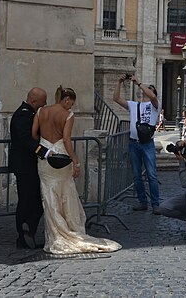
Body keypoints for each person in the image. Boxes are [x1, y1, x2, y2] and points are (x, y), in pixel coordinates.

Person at [33, 86, 122, 254]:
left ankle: (54, 234)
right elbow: (66, 140)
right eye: (71, 103)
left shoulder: (41, 111)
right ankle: (69, 228)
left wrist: (45, 145)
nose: (71, 107)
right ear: (66, 100)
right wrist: (76, 161)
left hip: (45, 157)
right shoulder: (67, 115)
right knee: (66, 193)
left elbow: (33, 134)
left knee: (49, 195)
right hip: (60, 155)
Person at [113, 74, 160, 213]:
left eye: (149, 88)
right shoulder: (134, 105)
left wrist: (139, 84)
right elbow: (116, 98)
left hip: (147, 144)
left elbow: (152, 96)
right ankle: (142, 201)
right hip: (134, 143)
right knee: (136, 174)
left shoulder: (155, 105)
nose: (146, 90)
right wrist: (119, 82)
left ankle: (155, 203)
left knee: (152, 174)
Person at [8, 87, 48, 249]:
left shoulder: (29, 113)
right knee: (26, 201)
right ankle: (23, 235)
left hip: (28, 164)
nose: (44, 105)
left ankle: (28, 229)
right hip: (24, 165)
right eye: (42, 102)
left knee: (35, 201)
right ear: (33, 101)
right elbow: (26, 140)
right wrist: (44, 152)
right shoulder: (24, 115)